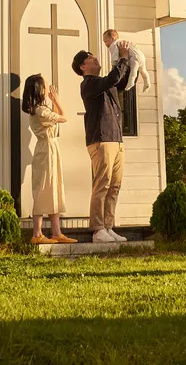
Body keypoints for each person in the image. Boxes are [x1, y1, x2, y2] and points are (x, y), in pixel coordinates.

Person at [72, 42, 133, 243]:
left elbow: (121, 81)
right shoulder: (89, 84)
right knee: (102, 185)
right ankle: (98, 229)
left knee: (114, 186)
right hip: (101, 139)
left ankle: (108, 226)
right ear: (83, 66)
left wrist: (129, 61)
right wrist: (123, 56)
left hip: (116, 139)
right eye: (90, 58)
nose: (95, 58)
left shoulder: (105, 84)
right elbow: (114, 77)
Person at [20, 73, 77, 245]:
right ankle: (37, 233)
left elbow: (57, 118)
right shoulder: (41, 111)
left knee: (53, 187)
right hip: (46, 150)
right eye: (45, 86)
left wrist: (53, 102)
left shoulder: (39, 110)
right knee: (44, 188)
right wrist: (56, 101)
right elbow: (63, 117)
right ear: (39, 89)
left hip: (49, 149)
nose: (47, 89)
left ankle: (56, 232)